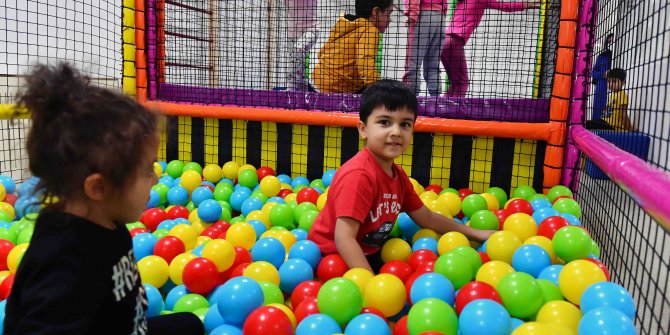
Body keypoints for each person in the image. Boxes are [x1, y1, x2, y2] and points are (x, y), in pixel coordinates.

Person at [4, 63, 204, 335]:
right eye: (147, 169)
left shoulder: (106, 217)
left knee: (191, 324)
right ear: (98, 188)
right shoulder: (63, 265)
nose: (156, 178)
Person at [307, 79, 495, 272]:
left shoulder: (397, 176)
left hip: (367, 252)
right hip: (330, 259)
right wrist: (371, 284)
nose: (396, 132)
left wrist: (474, 233)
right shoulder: (360, 175)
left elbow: (427, 218)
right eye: (384, 122)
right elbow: (344, 238)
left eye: (405, 124)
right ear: (363, 129)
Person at [441, 0, 541, 97]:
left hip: (444, 42)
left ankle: (442, 108)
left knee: (455, 82)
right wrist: (526, 4)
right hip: (454, 42)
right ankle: (455, 111)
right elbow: (505, 6)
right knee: (463, 82)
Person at [312, 0, 394, 94]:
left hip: (317, 80)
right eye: (388, 14)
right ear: (376, 12)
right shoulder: (370, 30)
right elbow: (365, 63)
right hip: (335, 89)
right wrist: (378, 92)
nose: (390, 19)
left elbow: (322, 52)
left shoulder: (345, 24)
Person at [402, 0, 449, 96]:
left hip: (423, 15)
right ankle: (436, 101)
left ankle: (412, 100)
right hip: (440, 18)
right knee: (433, 65)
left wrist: (413, 14)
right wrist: (442, 13)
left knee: (412, 64)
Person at [284, 0, 319, 91]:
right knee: (295, 61)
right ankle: (303, 92)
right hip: (292, 33)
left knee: (298, 48)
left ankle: (290, 90)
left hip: (311, 29)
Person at [591, 33, 614, 120]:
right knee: (598, 109)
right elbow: (593, 72)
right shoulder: (601, 56)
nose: (611, 43)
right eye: (609, 41)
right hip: (601, 86)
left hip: (612, 86)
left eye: (613, 41)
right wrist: (603, 74)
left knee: (610, 108)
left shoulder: (618, 56)